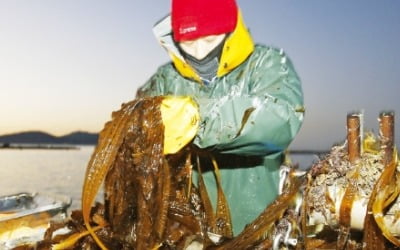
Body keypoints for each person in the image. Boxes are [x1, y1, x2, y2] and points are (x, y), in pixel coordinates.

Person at [136, 0, 304, 236]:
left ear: (231, 30)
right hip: (184, 229)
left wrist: (195, 120)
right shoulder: (165, 80)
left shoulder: (267, 64)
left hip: (255, 225)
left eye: (210, 40)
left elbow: (281, 119)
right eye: (189, 43)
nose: (200, 53)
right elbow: (135, 130)